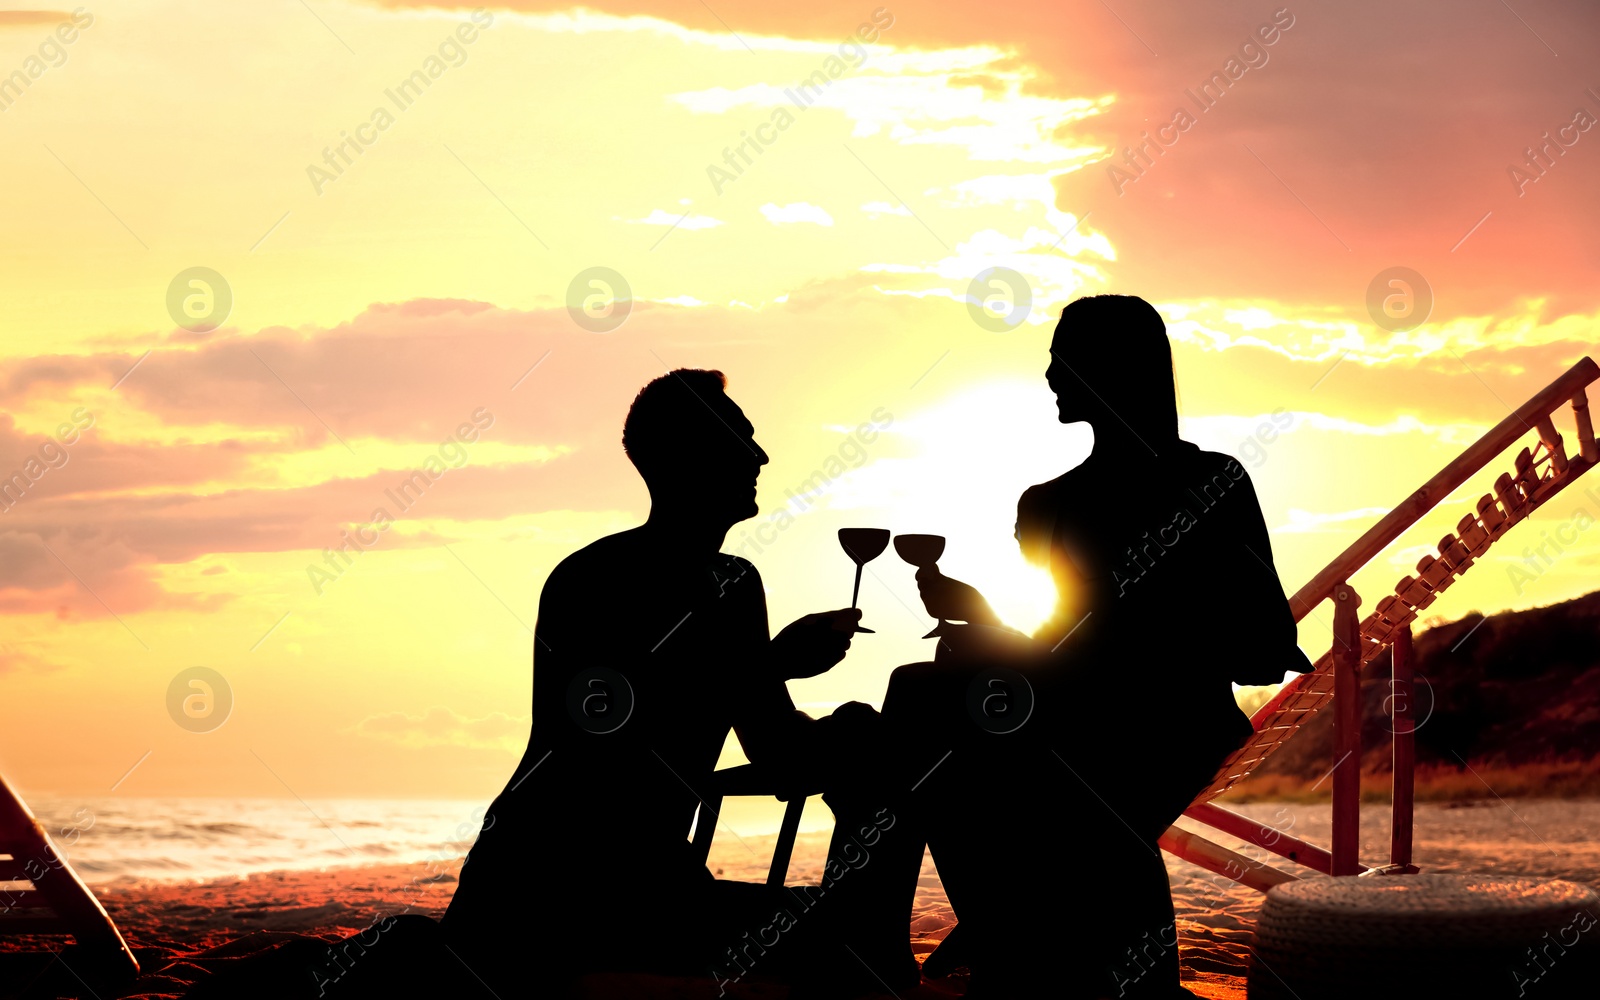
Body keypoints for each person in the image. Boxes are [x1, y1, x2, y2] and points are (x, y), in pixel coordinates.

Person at [813, 295, 1311, 998]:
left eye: (1062, 361)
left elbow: (1261, 648)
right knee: (923, 703)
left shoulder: (1209, 483)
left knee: (924, 713)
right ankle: (971, 948)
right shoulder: (1047, 504)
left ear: (1111, 370)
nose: (1049, 378)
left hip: (1166, 725)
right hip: (1074, 714)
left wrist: (1128, 640)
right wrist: (985, 622)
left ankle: (908, 950)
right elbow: (1062, 649)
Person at [441, 369, 873, 994]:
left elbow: (777, 752)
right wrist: (771, 665)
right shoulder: (595, 580)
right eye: (738, 439)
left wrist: (849, 735)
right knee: (847, 947)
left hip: (654, 883)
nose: (761, 455)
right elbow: (606, 730)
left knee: (852, 932)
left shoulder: (737, 584)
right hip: (551, 884)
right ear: (685, 459)